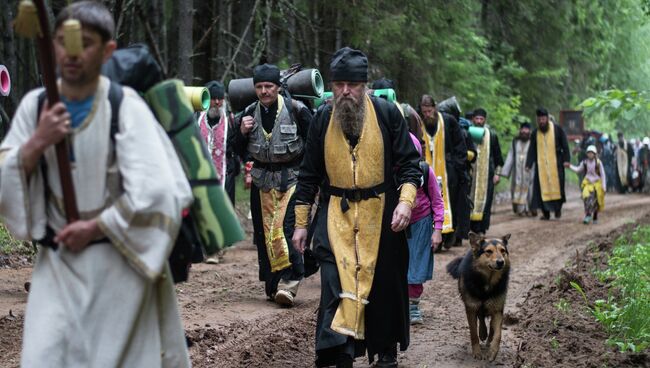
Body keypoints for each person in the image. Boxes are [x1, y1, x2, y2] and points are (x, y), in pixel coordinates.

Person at [0, 2, 192, 366]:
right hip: (56, 268)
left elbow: (160, 191)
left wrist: (97, 226)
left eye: (83, 43)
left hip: (120, 268)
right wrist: (36, 143)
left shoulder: (125, 106)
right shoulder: (35, 106)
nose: (71, 54)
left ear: (107, 51)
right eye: (62, 41)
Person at [292, 47, 421, 368]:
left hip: (383, 213)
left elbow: (410, 166)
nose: (345, 91)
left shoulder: (388, 114)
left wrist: (405, 203)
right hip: (336, 213)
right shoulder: (322, 118)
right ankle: (339, 355)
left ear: (364, 86)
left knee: (382, 285)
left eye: (352, 84)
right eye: (339, 85)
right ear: (332, 86)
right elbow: (308, 174)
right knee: (335, 283)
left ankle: (385, 350)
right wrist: (301, 222)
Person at [234, 63, 312, 307]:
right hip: (262, 182)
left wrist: (313, 182)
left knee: (286, 229)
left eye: (269, 86)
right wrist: (241, 132)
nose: (264, 91)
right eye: (259, 87)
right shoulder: (247, 114)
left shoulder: (297, 110)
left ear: (278, 87)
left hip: (293, 179)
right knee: (265, 233)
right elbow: (236, 150)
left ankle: (290, 283)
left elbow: (312, 146)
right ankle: (273, 283)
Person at [418, 94, 468, 249]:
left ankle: (449, 236)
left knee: (450, 202)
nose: (427, 114)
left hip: (447, 171)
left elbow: (460, 145)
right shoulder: (418, 123)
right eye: (424, 111)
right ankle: (431, 238)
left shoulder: (448, 121)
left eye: (430, 111)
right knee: (427, 202)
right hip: (426, 170)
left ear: (435, 108)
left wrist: (456, 166)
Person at [406, 133, 444, 325]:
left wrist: (437, 229)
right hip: (395, 224)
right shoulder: (390, 170)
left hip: (421, 222)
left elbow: (437, 201)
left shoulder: (425, 170)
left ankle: (413, 306)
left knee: (416, 265)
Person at [197, 80, 240, 204]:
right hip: (201, 177)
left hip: (225, 176)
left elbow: (238, 146)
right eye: (213, 98)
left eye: (220, 98)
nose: (217, 102)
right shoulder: (197, 119)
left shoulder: (231, 120)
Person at [526, 107, 571, 220]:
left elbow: (565, 145)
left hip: (557, 165)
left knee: (558, 188)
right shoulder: (535, 133)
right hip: (541, 167)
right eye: (539, 119)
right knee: (541, 189)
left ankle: (557, 210)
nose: (541, 121)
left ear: (547, 118)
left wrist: (566, 160)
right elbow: (532, 149)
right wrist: (528, 164)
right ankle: (546, 213)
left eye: (543, 119)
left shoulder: (557, 129)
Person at [468, 108, 503, 234]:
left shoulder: (492, 136)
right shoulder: (468, 133)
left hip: (487, 177)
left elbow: (498, 157)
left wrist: (497, 174)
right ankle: (469, 227)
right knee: (468, 200)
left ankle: (481, 228)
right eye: (476, 119)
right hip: (470, 176)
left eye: (481, 119)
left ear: (485, 120)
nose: (478, 121)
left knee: (485, 202)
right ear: (473, 119)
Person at [500, 121, 534, 216]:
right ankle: (519, 209)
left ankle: (527, 208)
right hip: (518, 171)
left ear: (529, 131)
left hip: (529, 170)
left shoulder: (532, 142)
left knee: (529, 190)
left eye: (526, 129)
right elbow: (511, 155)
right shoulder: (515, 142)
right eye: (522, 129)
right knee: (516, 188)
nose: (524, 131)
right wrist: (505, 171)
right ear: (520, 130)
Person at [569, 145, 606, 224]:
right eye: (588, 153)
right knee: (587, 198)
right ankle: (588, 215)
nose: (590, 154)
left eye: (591, 153)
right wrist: (569, 166)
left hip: (597, 184)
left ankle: (595, 216)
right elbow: (578, 170)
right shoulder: (585, 162)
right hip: (588, 183)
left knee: (596, 200)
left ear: (594, 154)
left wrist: (604, 186)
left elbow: (602, 174)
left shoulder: (598, 163)